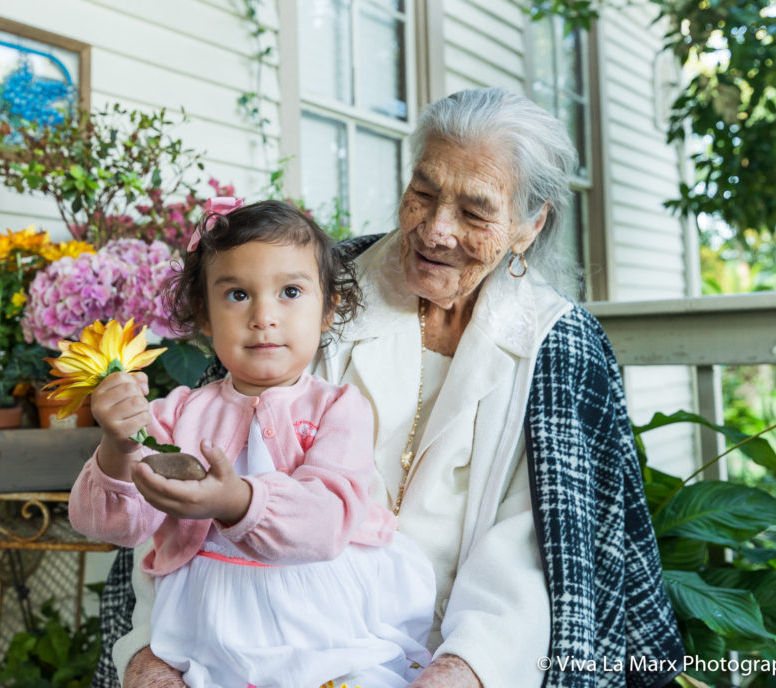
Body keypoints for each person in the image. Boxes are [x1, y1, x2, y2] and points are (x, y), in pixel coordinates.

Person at [96, 87, 686, 688]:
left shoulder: (559, 346)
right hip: (279, 635)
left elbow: (540, 550)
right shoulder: (316, 287)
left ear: (528, 226)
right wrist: (154, 655)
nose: (436, 230)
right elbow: (200, 474)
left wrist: (463, 669)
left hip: (469, 650)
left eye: (476, 212)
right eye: (423, 193)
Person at [69, 199, 437, 688]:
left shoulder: (339, 407)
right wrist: (119, 445)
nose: (264, 315)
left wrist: (236, 502)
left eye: (290, 291)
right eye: (238, 295)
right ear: (204, 314)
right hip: (211, 618)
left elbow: (326, 521)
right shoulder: (175, 414)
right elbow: (117, 526)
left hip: (321, 612)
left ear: (328, 309)